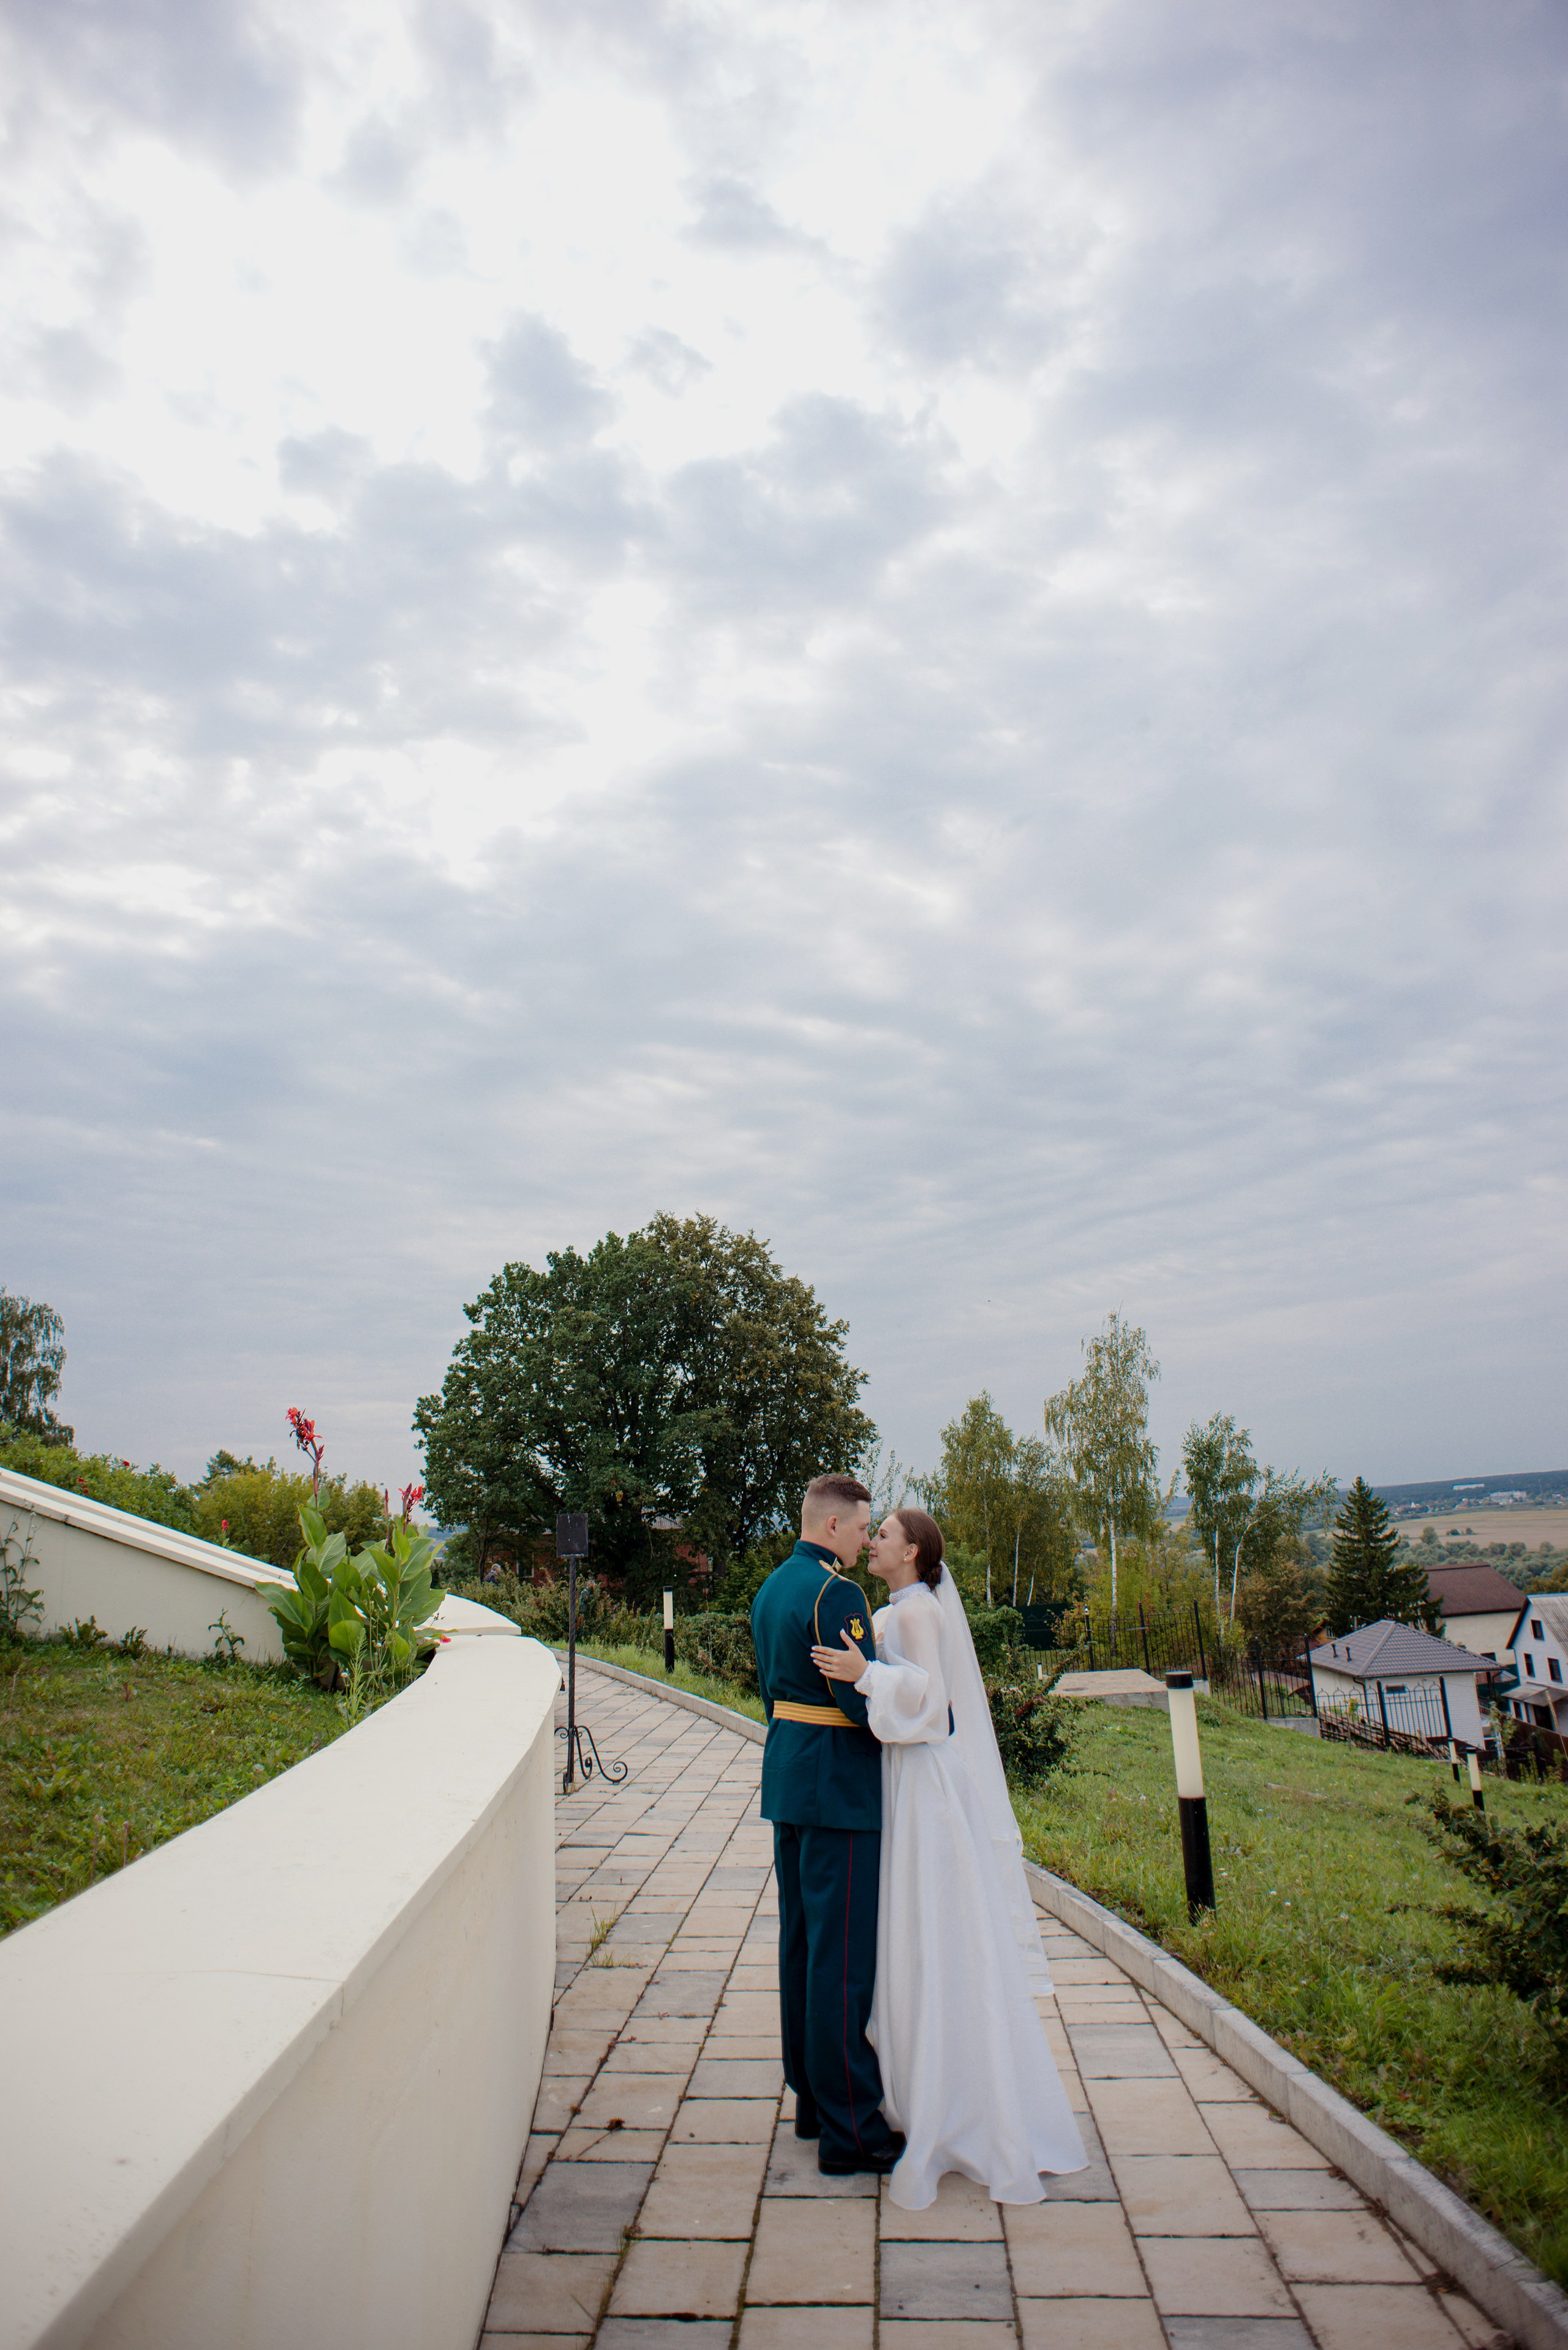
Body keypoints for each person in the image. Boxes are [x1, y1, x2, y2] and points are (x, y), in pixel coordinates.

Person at [812, 1505, 1085, 2209]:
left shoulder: (916, 1615)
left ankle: (949, 2101)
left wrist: (864, 1675)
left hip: (924, 1783)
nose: (872, 1542)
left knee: (931, 1929)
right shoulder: (902, 1606)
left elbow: (934, 1711)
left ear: (913, 1552)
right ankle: (926, 2087)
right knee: (918, 1932)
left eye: (885, 1536)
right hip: (909, 1778)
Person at [750, 1475, 906, 2175]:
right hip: (837, 1785)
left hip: (788, 1777)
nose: (868, 1538)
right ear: (835, 1527)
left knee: (804, 1949)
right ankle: (852, 2130)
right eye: (865, 1526)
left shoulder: (773, 1586)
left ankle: (812, 2103)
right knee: (841, 1962)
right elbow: (857, 1702)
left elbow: (772, 1687)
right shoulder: (836, 1594)